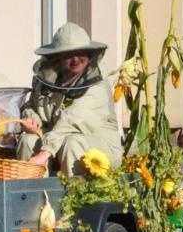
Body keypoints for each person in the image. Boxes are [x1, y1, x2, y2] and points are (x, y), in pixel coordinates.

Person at [15, 23, 122, 175]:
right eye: (69, 54)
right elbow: (31, 105)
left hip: (100, 146)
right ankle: (32, 189)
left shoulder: (98, 86)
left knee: (73, 143)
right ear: (58, 58)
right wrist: (32, 120)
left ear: (89, 54)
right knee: (28, 141)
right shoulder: (49, 80)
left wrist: (45, 152)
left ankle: (74, 190)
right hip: (57, 139)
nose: (75, 59)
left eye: (80, 53)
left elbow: (72, 119)